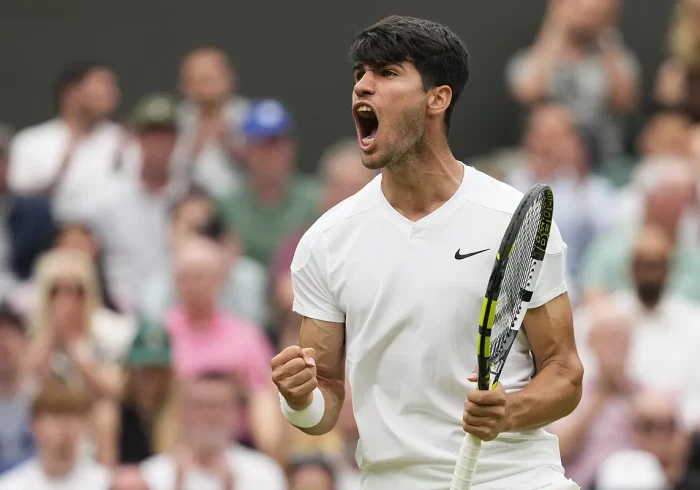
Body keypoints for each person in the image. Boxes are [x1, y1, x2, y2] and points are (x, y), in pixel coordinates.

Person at [271, 15, 583, 490]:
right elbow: (324, 403)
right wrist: (298, 400)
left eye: (387, 73)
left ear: (438, 98)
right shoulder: (325, 242)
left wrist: (508, 412)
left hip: (518, 478)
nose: (363, 87)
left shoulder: (511, 219)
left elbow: (564, 373)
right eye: (360, 75)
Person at [139, 372, 286, 490]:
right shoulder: (151, 474)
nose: (210, 415)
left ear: (236, 412)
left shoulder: (263, 472)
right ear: (183, 412)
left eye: (219, 406)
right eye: (200, 405)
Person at [0, 379, 110, 489]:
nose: (67, 426)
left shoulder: (106, 483)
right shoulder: (10, 485)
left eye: (75, 417)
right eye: (58, 417)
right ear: (34, 424)